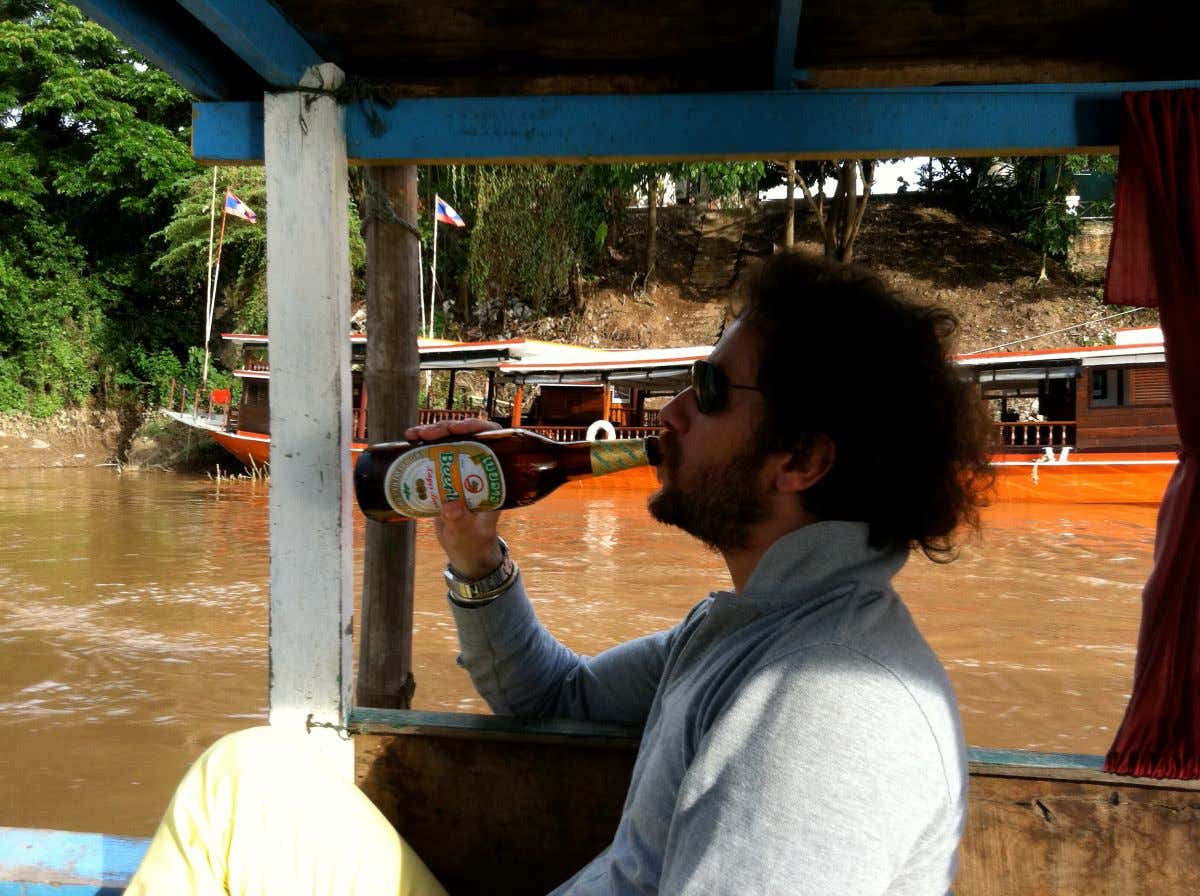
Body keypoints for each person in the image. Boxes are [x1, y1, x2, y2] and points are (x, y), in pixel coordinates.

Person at [127, 251, 993, 895]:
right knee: (251, 777)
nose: (676, 410)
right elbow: (554, 701)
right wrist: (474, 548)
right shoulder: (741, 630)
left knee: (231, 799)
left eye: (713, 390)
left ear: (800, 458)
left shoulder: (836, 701)